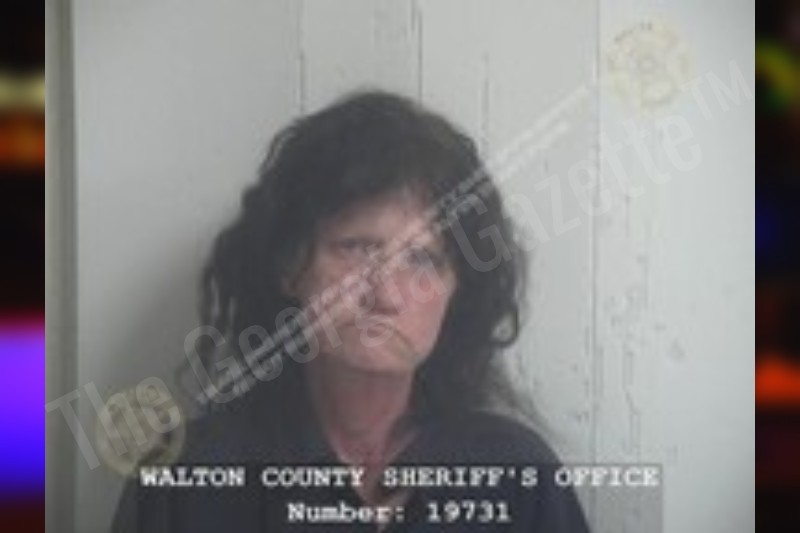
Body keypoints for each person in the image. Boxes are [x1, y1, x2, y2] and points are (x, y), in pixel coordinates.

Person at [111, 91, 590, 532]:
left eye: (423, 260)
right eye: (358, 248)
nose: (387, 295)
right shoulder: (186, 481)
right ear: (289, 266)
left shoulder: (516, 476)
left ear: (457, 291)